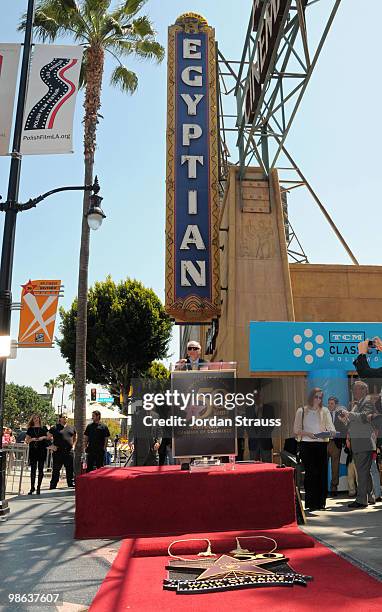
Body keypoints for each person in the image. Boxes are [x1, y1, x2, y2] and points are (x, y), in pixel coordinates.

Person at [294, 388, 335, 511]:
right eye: (316, 397)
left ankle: (321, 503)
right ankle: (311, 503)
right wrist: (308, 433)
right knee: (311, 474)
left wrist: (329, 432)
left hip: (321, 444)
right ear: (311, 397)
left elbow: (331, 428)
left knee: (322, 473)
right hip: (306, 445)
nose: (318, 400)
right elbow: (296, 430)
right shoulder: (301, 410)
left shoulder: (325, 411)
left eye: (320, 397)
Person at [338, 380, 376, 508]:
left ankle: (361, 500)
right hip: (358, 443)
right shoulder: (357, 404)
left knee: (362, 472)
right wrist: (345, 421)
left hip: (364, 443)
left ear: (364, 390)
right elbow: (353, 424)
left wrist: (349, 414)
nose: (353, 392)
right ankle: (370, 497)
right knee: (365, 472)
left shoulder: (368, 403)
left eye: (356, 389)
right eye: (353, 389)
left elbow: (364, 417)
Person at [48, 415, 76, 489]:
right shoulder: (55, 428)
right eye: (63, 417)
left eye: (66, 417)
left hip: (69, 452)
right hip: (58, 452)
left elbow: (75, 436)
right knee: (56, 469)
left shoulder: (71, 427)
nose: (65, 418)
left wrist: (73, 445)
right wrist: (51, 446)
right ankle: (53, 484)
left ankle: (70, 483)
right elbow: (48, 437)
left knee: (70, 469)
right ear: (59, 419)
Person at [326, 396, 347, 496]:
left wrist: (343, 441)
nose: (329, 405)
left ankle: (334, 487)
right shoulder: (323, 414)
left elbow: (344, 428)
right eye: (329, 403)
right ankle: (323, 487)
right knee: (322, 467)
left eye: (332, 403)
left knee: (335, 467)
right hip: (324, 443)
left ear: (336, 405)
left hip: (336, 444)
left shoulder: (340, 414)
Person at [246, 391, 275, 463]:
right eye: (255, 396)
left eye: (259, 396)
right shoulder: (248, 409)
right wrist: (253, 435)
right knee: (253, 466)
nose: (257, 398)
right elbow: (246, 425)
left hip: (265, 442)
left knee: (268, 465)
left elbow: (272, 424)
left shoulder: (269, 408)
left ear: (262, 397)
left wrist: (263, 434)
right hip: (253, 442)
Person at [25, 414, 49, 495]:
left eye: (37, 418)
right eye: (34, 418)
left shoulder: (44, 428)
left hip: (42, 451)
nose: (36, 419)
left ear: (39, 419)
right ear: (32, 419)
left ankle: (38, 487)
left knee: (41, 470)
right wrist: (32, 439)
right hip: (33, 451)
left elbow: (49, 437)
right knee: (33, 470)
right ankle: (32, 488)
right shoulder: (30, 429)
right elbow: (26, 441)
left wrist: (43, 437)